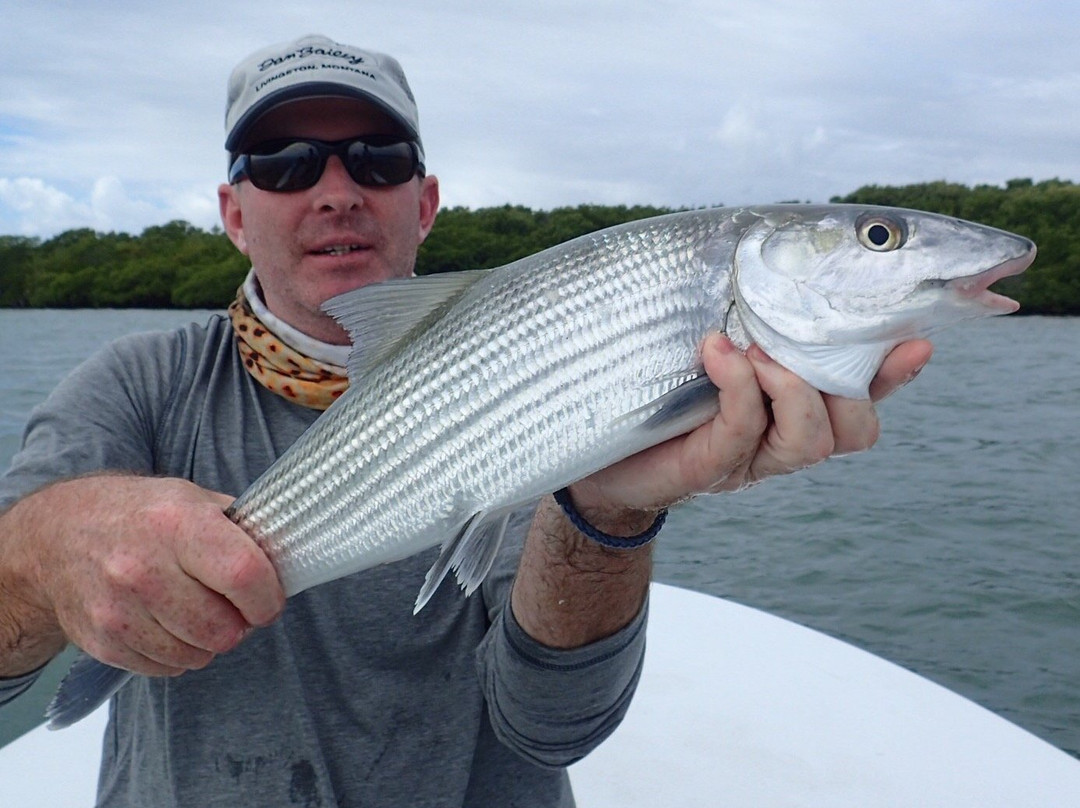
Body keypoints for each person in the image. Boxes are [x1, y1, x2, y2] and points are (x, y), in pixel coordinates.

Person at [0, 35, 932, 807]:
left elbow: (552, 726)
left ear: (426, 202)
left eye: (378, 157)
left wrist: (606, 512)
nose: (336, 190)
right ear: (233, 214)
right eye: (283, 163)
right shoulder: (137, 387)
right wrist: (46, 555)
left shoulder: (538, 376)